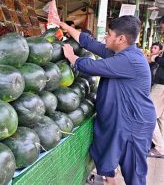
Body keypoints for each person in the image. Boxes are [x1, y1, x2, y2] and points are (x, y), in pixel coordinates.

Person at [57, 15, 156, 185]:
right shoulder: (120, 52)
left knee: (134, 173)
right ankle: (110, 181)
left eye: (108, 34)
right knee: (106, 154)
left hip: (134, 123)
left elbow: (94, 67)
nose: (105, 38)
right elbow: (91, 44)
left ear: (121, 38)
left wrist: (72, 57)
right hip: (121, 119)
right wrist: (64, 26)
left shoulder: (130, 59)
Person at [148, 42, 164, 157]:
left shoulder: (157, 59)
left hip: (160, 86)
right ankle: (160, 145)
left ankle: (159, 147)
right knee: (161, 118)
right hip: (160, 86)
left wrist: (155, 58)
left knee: (149, 115)